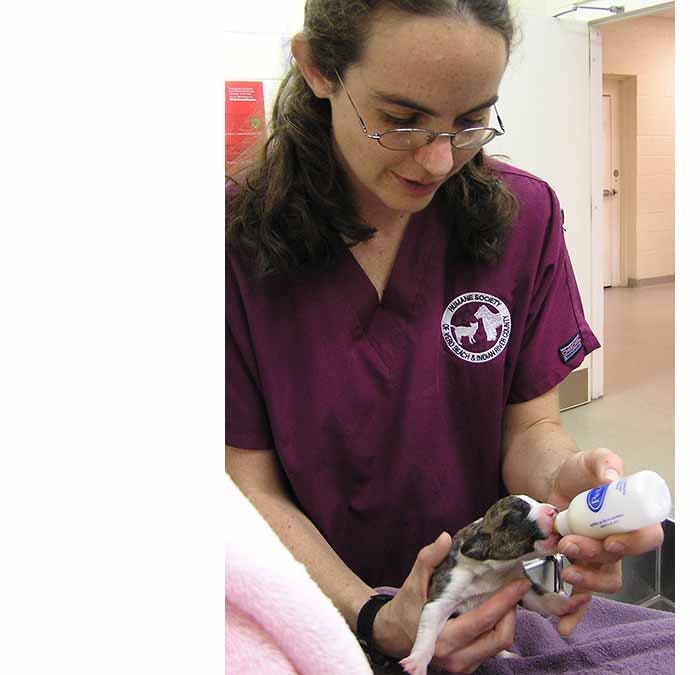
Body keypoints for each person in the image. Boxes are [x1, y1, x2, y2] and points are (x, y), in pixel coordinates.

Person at [226, 1, 673, 673]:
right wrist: (375, 615)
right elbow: (247, 485)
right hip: (320, 608)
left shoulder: (524, 218)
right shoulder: (231, 240)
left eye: (469, 121)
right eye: (400, 119)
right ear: (318, 70)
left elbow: (530, 428)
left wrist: (562, 482)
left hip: (489, 594)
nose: (439, 161)